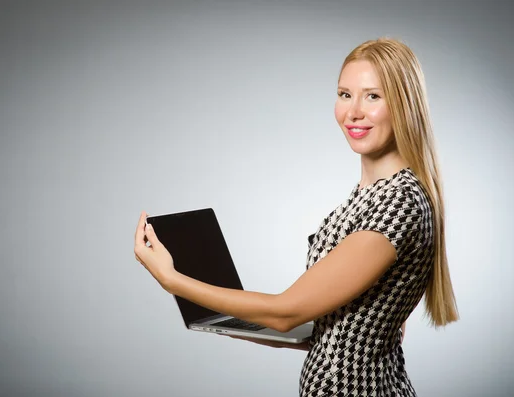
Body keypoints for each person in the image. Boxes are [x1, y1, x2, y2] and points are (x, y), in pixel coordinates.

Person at [133, 37, 459, 396]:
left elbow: (285, 312)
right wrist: (247, 324)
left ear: (404, 105)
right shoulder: (370, 195)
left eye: (373, 96)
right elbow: (333, 328)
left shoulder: (398, 204)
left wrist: (173, 280)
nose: (353, 112)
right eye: (344, 94)